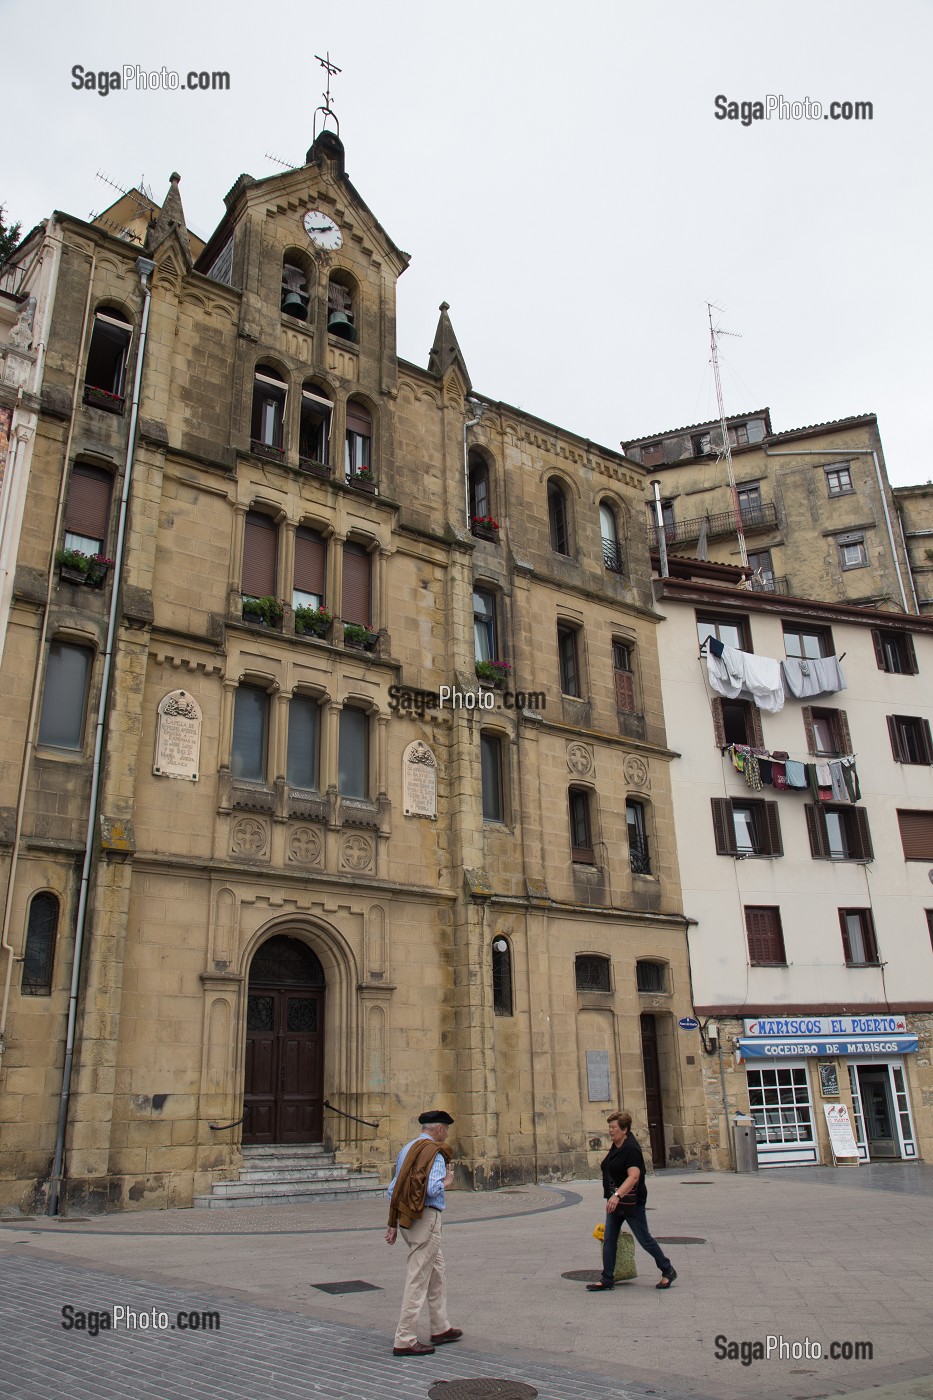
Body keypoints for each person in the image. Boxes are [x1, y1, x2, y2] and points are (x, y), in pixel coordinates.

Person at [384, 1109, 463, 1356]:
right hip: (426, 1220)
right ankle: (405, 1339)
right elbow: (431, 1189)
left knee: (436, 1269)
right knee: (418, 1278)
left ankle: (440, 1327)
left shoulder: (406, 1150)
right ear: (439, 1129)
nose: (447, 1134)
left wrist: (393, 1223)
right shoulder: (435, 1155)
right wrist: (447, 1182)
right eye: (446, 1129)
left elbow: (393, 1189)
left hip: (408, 1220)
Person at [586, 1110, 678, 1293]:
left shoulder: (631, 1149)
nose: (610, 1131)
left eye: (613, 1127)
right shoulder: (617, 1145)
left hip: (630, 1202)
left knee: (644, 1239)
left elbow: (634, 1176)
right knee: (610, 1238)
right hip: (615, 1201)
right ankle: (607, 1278)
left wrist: (617, 1195)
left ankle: (668, 1270)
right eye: (609, 1127)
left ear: (624, 1129)